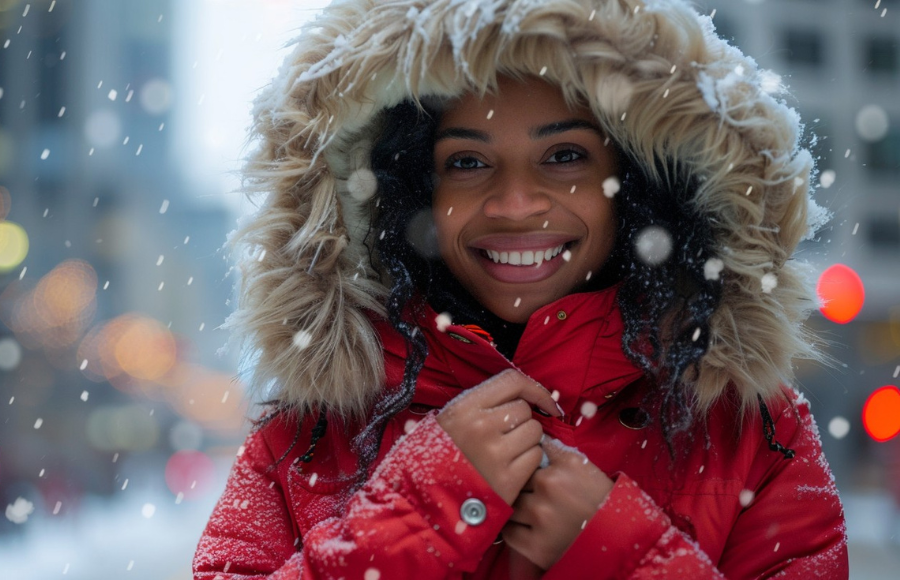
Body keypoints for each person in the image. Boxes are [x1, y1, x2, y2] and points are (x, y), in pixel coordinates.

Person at [193, 0, 849, 578]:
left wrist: (620, 554)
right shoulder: (312, 433)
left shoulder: (749, 429)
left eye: (564, 155)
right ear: (413, 190)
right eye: (468, 162)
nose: (513, 203)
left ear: (642, 184)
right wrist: (421, 512)